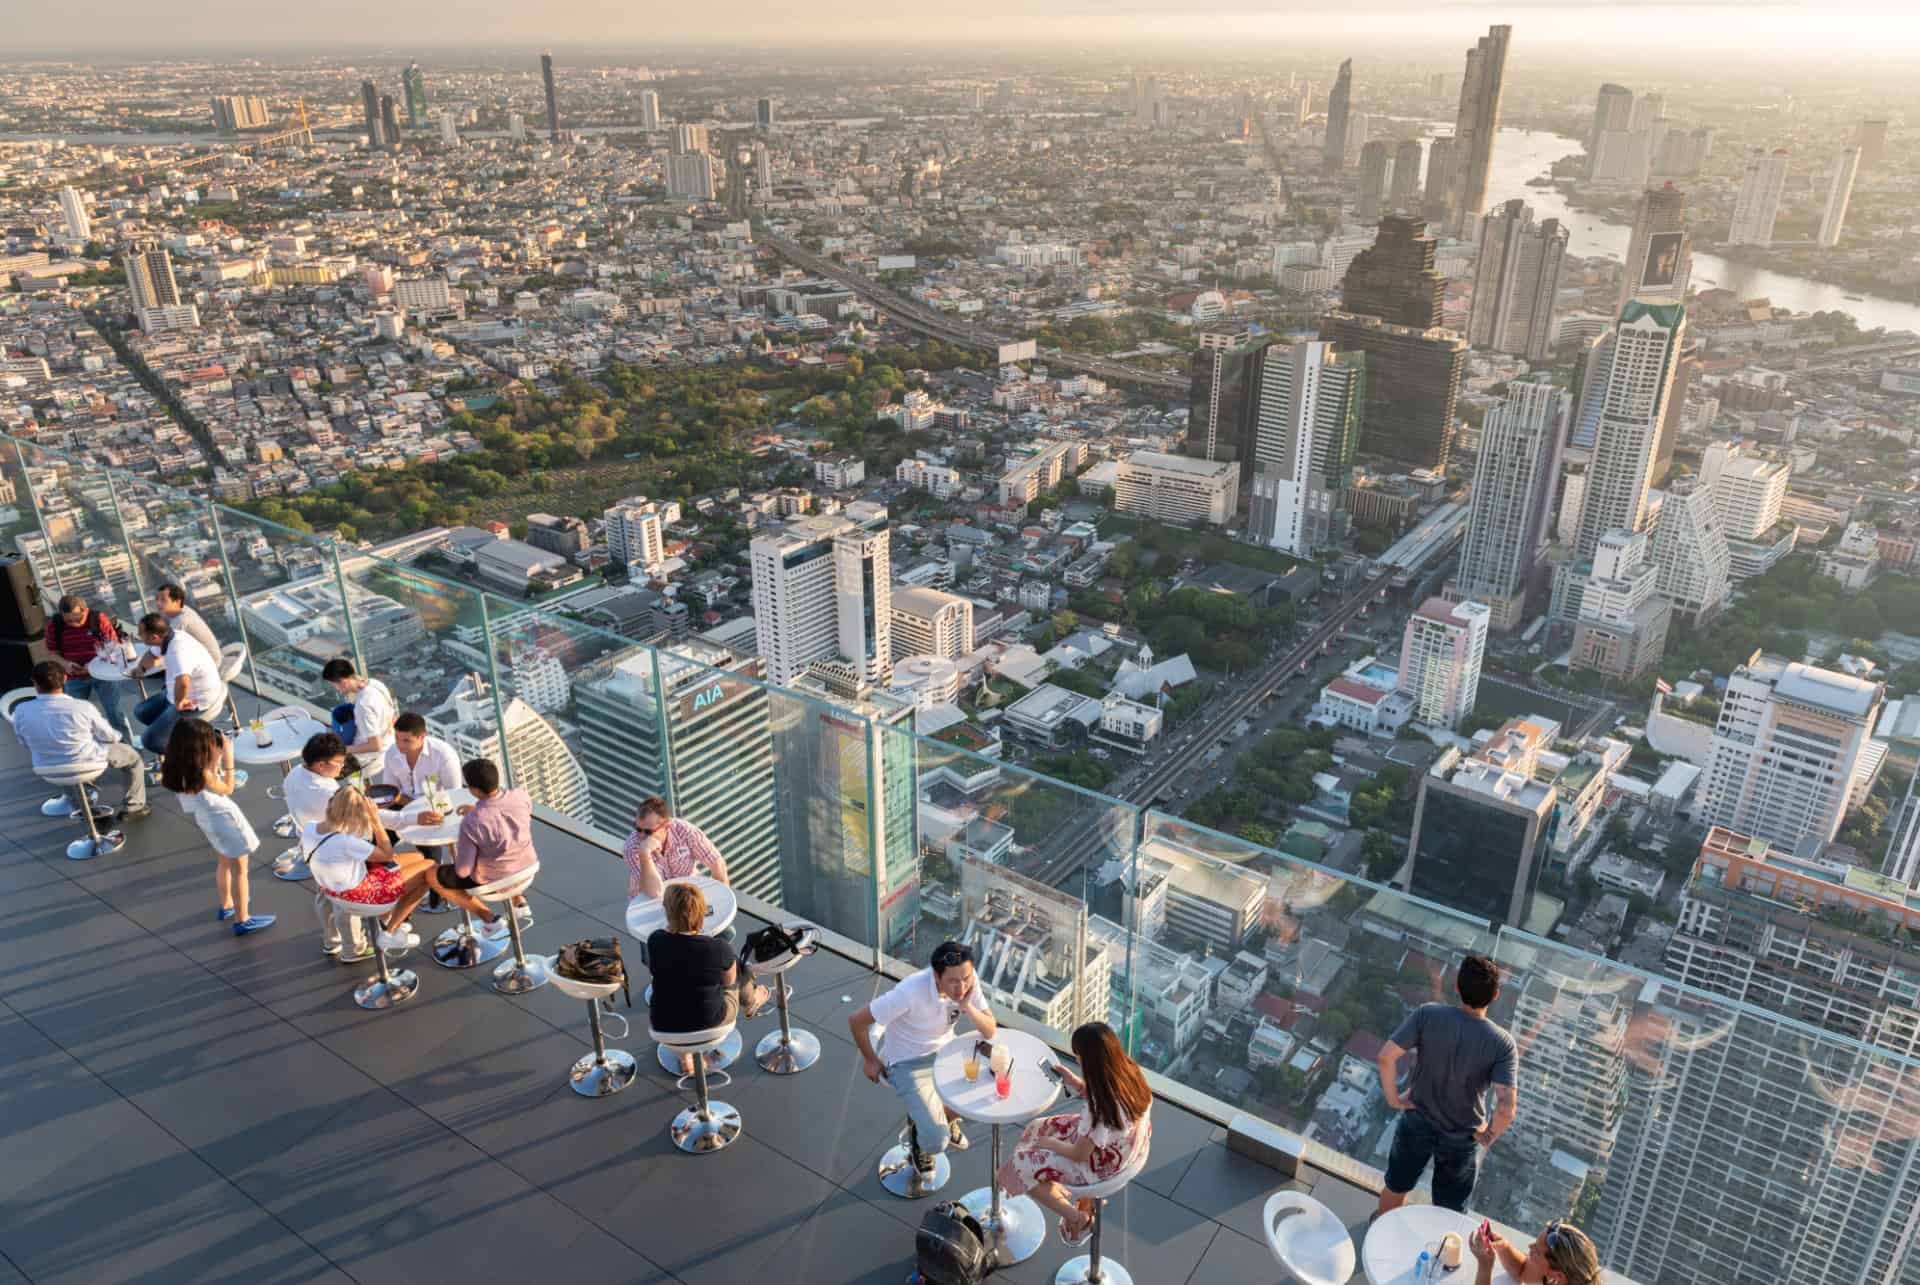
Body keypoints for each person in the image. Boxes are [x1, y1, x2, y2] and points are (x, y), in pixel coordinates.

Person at [1375, 953, 1518, 1216]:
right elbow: (1506, 1108)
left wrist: (1394, 1099)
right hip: (1462, 1138)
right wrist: (1487, 1137)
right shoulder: (1502, 1043)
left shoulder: (1428, 1014)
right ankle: (1437, 1256)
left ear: (1457, 986)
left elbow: (1385, 1057)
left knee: (1396, 1187)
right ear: (1495, 994)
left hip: (1416, 1119)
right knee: (1448, 1212)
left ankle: (1377, 1236)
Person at [996, 1022, 1152, 1247]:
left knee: (1021, 1164)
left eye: (1079, 1056)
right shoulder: (1130, 1071)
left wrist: (1049, 1143)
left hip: (1101, 1164)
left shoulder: (1099, 1109)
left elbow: (1079, 1154)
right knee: (1036, 1128)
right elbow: (1109, 1101)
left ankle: (1078, 1218)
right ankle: (1084, 1200)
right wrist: (1077, 1085)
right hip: (1128, 1147)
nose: (1078, 1060)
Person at [849, 941, 996, 1179]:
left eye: (966, 978)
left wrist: (967, 1006)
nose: (961, 987)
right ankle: (923, 1135)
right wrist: (870, 1060)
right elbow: (856, 1020)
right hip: (908, 1063)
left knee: (988, 1092)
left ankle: (942, 1116)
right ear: (936, 976)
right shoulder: (909, 992)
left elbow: (989, 1030)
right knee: (937, 1143)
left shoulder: (966, 980)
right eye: (953, 981)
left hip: (946, 1051)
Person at [160, 716, 273, 936]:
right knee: (241, 870)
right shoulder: (203, 774)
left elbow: (206, 781)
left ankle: (227, 905)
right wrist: (228, 759)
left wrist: (215, 761)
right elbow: (228, 788)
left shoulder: (176, 766)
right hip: (225, 820)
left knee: (223, 861)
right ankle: (243, 919)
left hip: (207, 821)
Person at [645, 882, 770, 1075]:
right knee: (737, 966)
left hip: (663, 1028)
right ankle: (752, 1001)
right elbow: (729, 985)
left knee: (677, 989)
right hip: (713, 1025)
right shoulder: (718, 948)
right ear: (702, 913)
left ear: (668, 913)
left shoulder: (655, 941)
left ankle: (684, 1056)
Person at [411, 757, 534, 937]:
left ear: (474, 790)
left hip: (495, 880)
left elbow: (462, 871)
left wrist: (475, 817)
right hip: (526, 867)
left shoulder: (473, 822)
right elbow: (504, 817)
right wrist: (478, 810)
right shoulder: (520, 796)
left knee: (431, 874)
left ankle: (489, 918)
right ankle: (519, 901)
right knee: (504, 848)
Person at [13, 659, 149, 819]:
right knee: (133, 759)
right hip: (88, 764)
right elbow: (111, 737)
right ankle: (134, 807)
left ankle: (81, 804)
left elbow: (24, 742)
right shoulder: (82, 707)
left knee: (62, 756)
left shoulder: (20, 711)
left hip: (46, 769)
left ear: (34, 683)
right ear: (65, 679)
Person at [307, 784, 436, 952]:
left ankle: (388, 917)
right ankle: (390, 933)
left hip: (334, 892)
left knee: (418, 858)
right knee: (430, 868)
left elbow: (396, 821)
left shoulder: (310, 827)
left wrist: (415, 818)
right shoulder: (345, 841)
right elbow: (387, 855)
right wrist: (375, 820)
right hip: (362, 898)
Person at [284, 731, 369, 962]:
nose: (342, 767)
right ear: (321, 764)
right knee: (346, 902)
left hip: (310, 844)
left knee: (324, 895)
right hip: (335, 849)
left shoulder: (293, 775)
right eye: (338, 763)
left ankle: (331, 941)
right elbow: (352, 821)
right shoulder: (329, 792)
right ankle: (354, 948)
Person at [382, 711, 461, 908]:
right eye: (397, 739)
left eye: (406, 741)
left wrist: (427, 810)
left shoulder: (443, 755)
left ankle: (436, 895)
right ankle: (387, 890)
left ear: (422, 737)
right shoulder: (393, 753)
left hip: (436, 808)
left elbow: (454, 794)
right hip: (404, 807)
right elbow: (391, 790)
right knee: (378, 841)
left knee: (430, 850)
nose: (400, 745)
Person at [132, 612, 225, 755]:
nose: (138, 635)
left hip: (193, 700)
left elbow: (183, 683)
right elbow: (152, 655)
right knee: (141, 712)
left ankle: (193, 756)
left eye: (141, 633)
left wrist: (178, 702)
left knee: (151, 741)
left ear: (154, 637)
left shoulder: (178, 650)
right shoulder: (167, 637)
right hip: (175, 692)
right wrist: (141, 669)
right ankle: (181, 736)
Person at [43, 594, 131, 738]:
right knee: (75, 716)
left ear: (85, 610)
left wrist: (92, 665)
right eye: (68, 621)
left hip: (103, 673)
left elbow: (114, 646)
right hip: (73, 677)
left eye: (77, 619)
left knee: (114, 712)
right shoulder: (54, 625)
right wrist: (65, 664)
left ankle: (128, 747)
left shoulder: (98, 619)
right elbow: (52, 653)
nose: (73, 623)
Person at [623, 795, 730, 900]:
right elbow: (654, 892)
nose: (641, 836)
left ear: (666, 827)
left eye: (648, 832)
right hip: (650, 900)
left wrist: (720, 900)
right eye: (638, 829)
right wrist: (644, 853)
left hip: (687, 894)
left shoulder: (685, 832)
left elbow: (717, 863)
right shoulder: (631, 848)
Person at [321, 657, 396, 778]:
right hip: (390, 741)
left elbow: (375, 746)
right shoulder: (376, 684)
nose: (336, 689)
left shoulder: (363, 705)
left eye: (334, 685)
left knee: (321, 769)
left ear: (343, 682)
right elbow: (393, 715)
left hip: (369, 759)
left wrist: (342, 750)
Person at [1470, 1219, 1601, 1285]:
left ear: (1558, 1276)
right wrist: (1504, 1247)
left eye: (1537, 1251)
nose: (1529, 1246)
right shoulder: (1555, 1277)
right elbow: (1522, 1271)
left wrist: (1484, 1266)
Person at [155, 582, 221, 658]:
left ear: (177, 602)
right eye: (157, 599)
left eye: (163, 600)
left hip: (209, 660)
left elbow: (164, 647)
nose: (158, 603)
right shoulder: (169, 611)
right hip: (194, 656)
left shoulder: (182, 619)